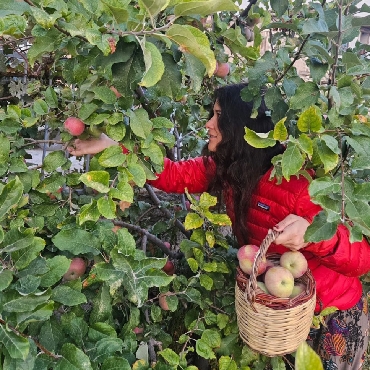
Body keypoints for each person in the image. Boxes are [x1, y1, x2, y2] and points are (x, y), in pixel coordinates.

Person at [67, 83, 370, 370]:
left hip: (332, 313)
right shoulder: (230, 169)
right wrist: (111, 147)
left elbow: (362, 260)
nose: (209, 123)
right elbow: (172, 175)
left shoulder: (299, 185)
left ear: (243, 127)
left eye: (219, 116)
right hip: (279, 311)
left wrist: (313, 237)